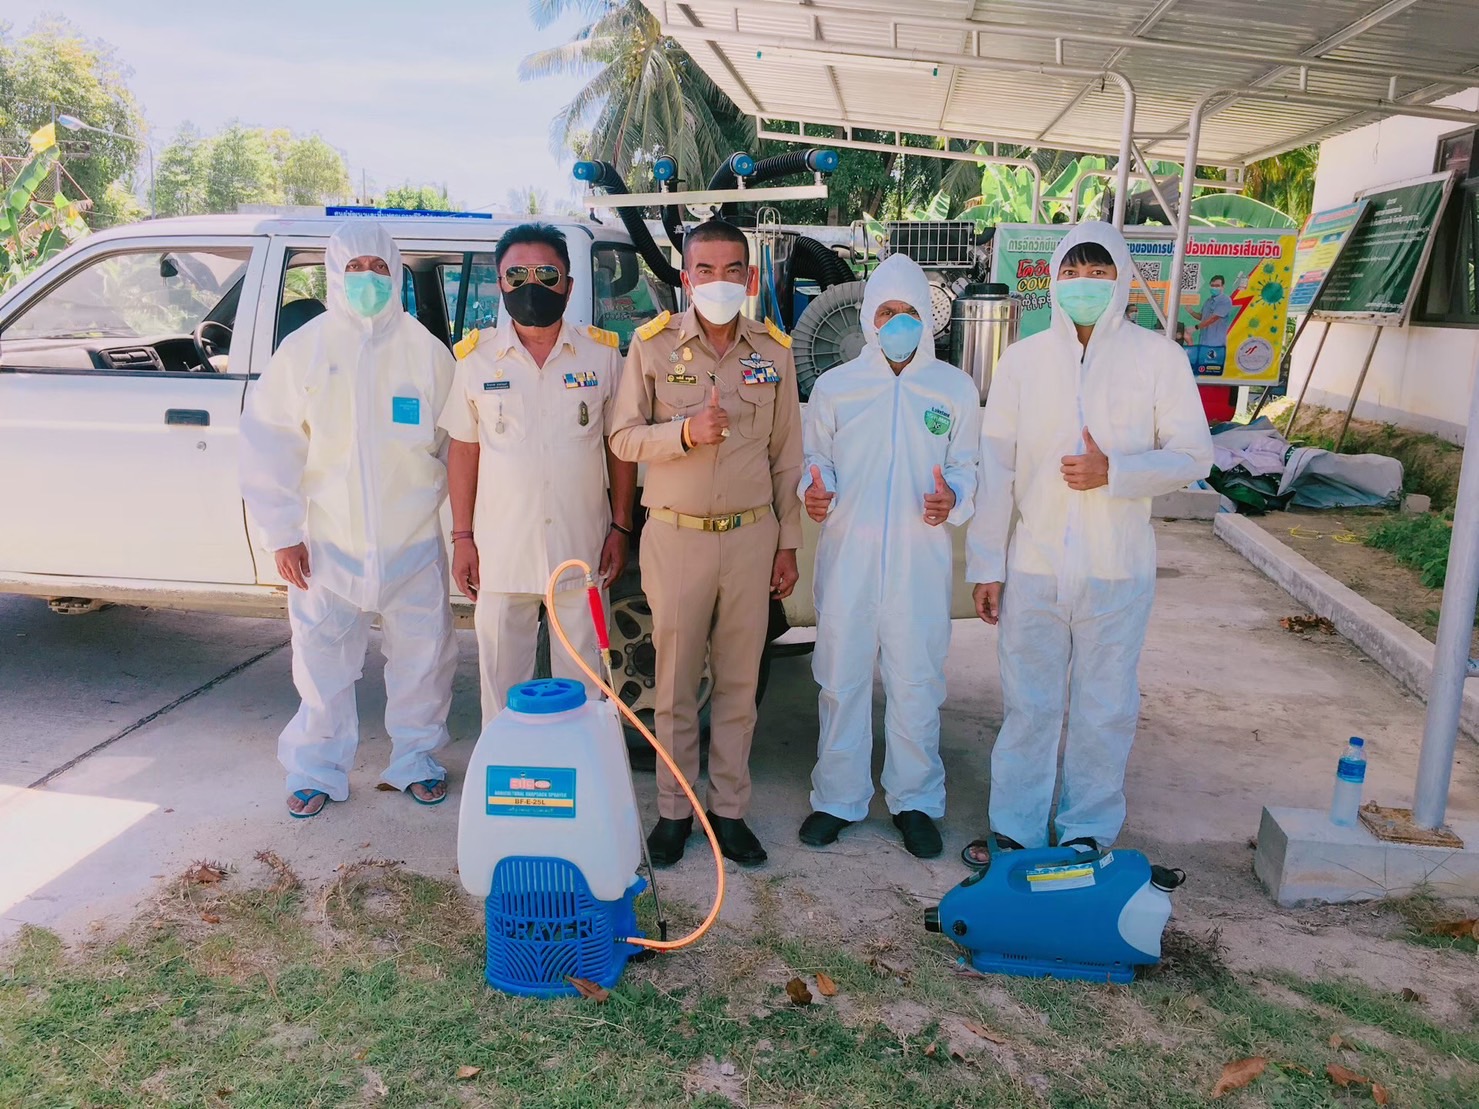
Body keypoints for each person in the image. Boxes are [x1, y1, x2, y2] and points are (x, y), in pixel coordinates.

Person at [964, 221, 1213, 861]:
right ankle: (1016, 827)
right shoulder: (1022, 360)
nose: (1084, 286)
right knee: (1028, 706)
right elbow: (998, 468)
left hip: (1116, 570)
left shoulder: (1157, 359)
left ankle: (1085, 833)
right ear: (1053, 280)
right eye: (1072, 273)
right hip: (1037, 566)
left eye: (1098, 274)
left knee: (1105, 709)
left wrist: (1118, 473)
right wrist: (987, 564)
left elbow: (1194, 455)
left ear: (1122, 280)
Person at [240, 220, 458, 818]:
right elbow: (269, 441)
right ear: (335, 274)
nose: (368, 281)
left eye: (379, 269)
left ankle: (416, 759)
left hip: (412, 540)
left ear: (395, 273)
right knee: (320, 661)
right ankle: (316, 769)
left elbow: (452, 446)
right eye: (355, 270)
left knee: (424, 656)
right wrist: (283, 532)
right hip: (327, 542)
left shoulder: (427, 353)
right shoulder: (304, 350)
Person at [609, 219, 803, 868]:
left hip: (751, 536)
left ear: (749, 278)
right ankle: (672, 812)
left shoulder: (773, 352)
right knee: (672, 684)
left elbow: (786, 457)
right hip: (676, 537)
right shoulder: (653, 346)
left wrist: (788, 543)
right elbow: (623, 439)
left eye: (730, 271)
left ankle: (728, 811)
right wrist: (684, 434)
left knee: (739, 685)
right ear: (684, 276)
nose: (717, 282)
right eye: (704, 270)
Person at [797, 255, 981, 859]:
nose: (897, 323)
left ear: (926, 319)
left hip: (918, 567)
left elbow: (967, 468)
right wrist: (814, 491)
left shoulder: (953, 388)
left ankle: (916, 801)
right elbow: (813, 461)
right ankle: (837, 799)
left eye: (908, 313)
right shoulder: (836, 387)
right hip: (849, 560)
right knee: (840, 680)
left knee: (917, 683)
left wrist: (953, 497)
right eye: (886, 312)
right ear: (867, 318)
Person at [438, 223, 636, 723]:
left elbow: (620, 449)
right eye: (517, 275)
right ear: (500, 283)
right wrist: (462, 538)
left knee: (586, 691)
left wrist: (620, 526)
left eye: (547, 274)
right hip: (501, 554)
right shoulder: (475, 359)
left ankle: (578, 781)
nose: (533, 286)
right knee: (501, 694)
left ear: (569, 285)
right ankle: (506, 790)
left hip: (581, 549)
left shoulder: (601, 355)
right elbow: (463, 451)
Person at [1186, 273, 1234, 370]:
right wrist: (1191, 311)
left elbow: (1213, 319)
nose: (1214, 288)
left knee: (1212, 370)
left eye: (1217, 286)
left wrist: (1195, 328)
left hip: (1216, 344)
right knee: (1201, 368)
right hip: (1203, 342)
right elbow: (1202, 317)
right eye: (1212, 285)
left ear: (1222, 287)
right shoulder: (1208, 301)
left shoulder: (1225, 301)